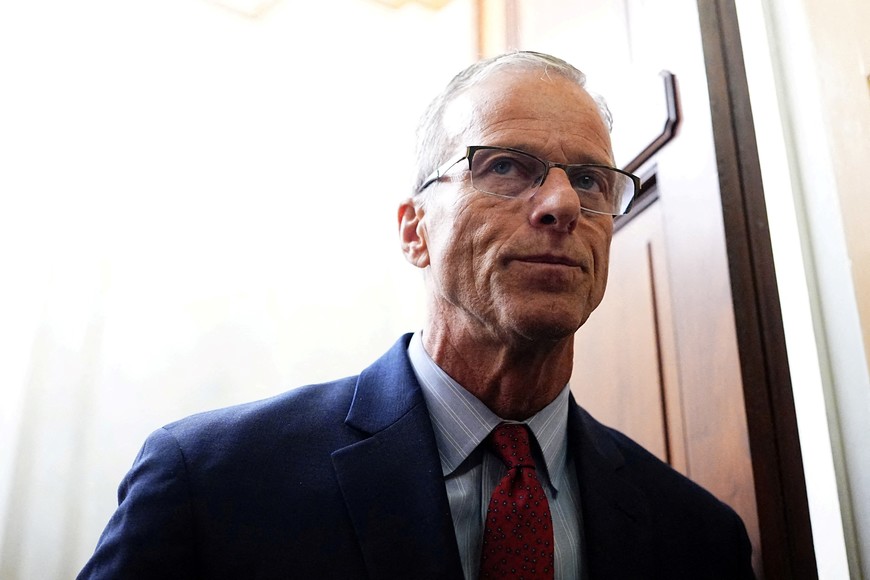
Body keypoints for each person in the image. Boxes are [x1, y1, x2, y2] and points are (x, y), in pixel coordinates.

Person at [79, 51, 755, 579]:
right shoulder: (209, 480)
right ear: (414, 230)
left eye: (590, 180)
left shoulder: (699, 537)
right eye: (506, 167)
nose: (562, 206)